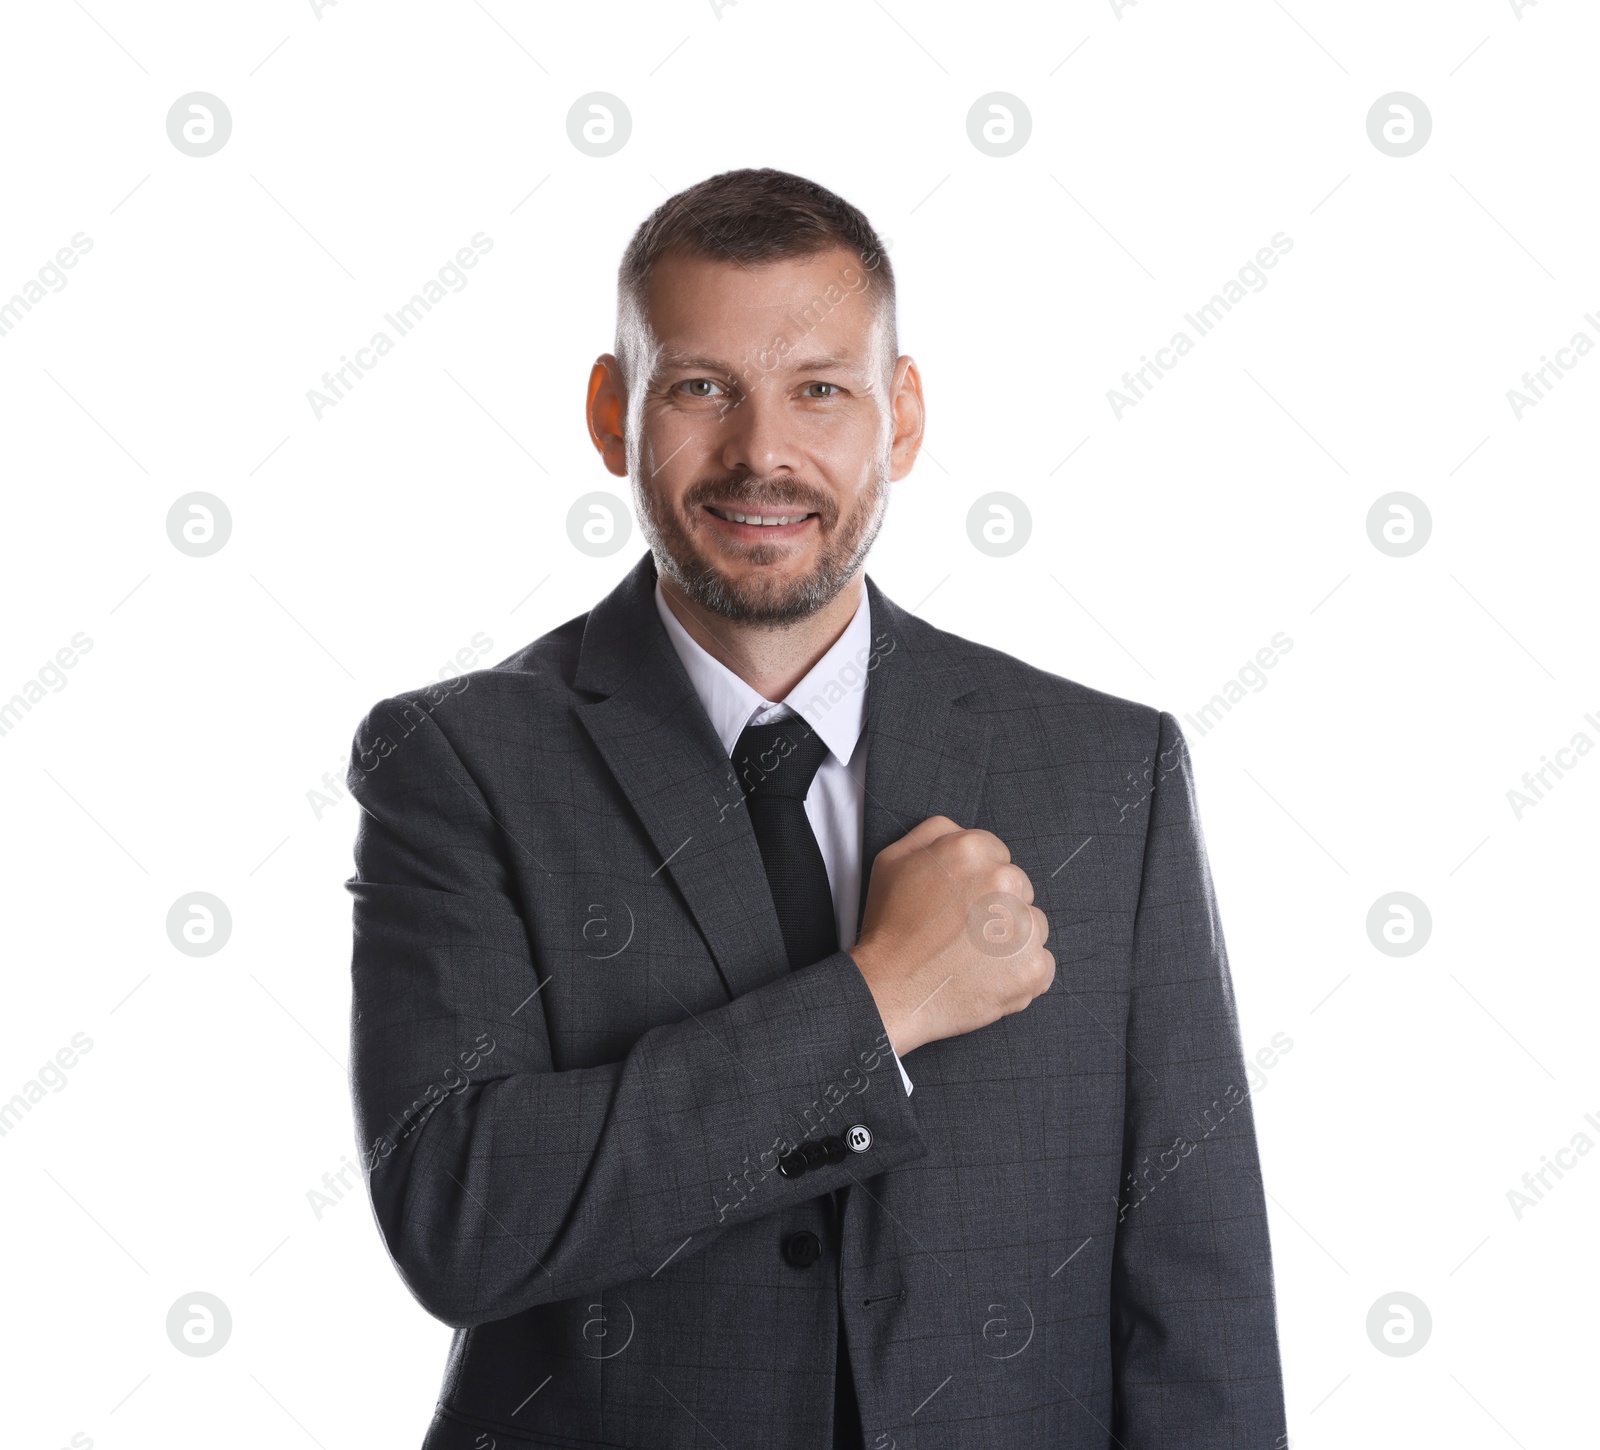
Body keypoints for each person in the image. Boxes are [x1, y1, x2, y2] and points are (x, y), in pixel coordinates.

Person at [345, 167, 1288, 1450]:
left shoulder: (1107, 770)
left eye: (820, 390)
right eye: (700, 388)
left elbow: (1198, 1286)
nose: (762, 453)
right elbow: (460, 1218)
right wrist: (879, 1001)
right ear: (612, 411)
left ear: (900, 416)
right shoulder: (457, 762)